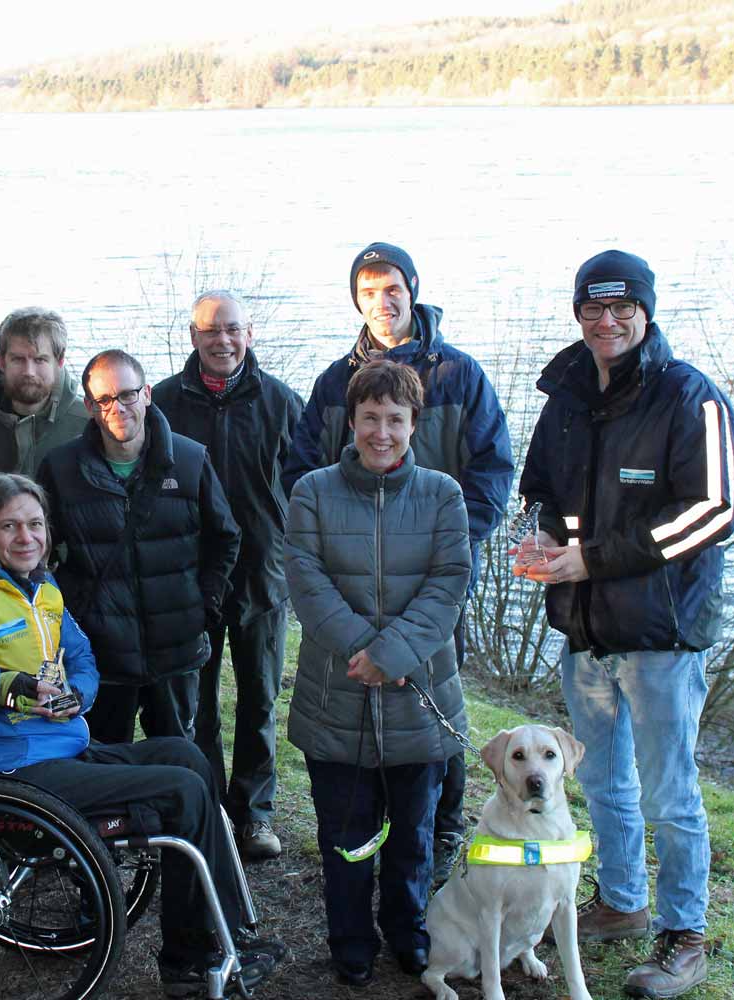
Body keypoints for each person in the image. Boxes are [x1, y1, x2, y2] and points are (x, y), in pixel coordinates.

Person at [0, 473, 283, 997]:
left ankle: (222, 933)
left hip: (64, 747)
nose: (27, 538)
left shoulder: (43, 588)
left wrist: (78, 695)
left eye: (36, 525)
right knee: (181, 791)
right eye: (10, 526)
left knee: (187, 756)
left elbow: (84, 657)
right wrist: (0, 686)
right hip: (9, 771)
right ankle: (189, 960)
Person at [517, 250, 734, 999]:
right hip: (585, 634)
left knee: (669, 796)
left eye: (622, 309)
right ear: (578, 314)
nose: (607, 323)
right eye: (593, 309)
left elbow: (712, 513)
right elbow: (545, 490)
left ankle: (684, 934)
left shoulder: (691, 398)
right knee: (604, 784)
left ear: (647, 313)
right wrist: (550, 542)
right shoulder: (568, 396)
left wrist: (593, 560)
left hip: (661, 638)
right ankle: (621, 902)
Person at [281, 242, 513, 884]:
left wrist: (455, 541)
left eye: (393, 290)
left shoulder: (458, 375)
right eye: (368, 291)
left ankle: (440, 826)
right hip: (350, 579)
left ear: (413, 292)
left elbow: (494, 468)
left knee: (438, 690)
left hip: (431, 577)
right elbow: (303, 468)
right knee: (352, 692)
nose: (382, 303)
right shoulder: (335, 382)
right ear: (355, 299)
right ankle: (362, 824)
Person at [285, 360, 471, 987]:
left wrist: (393, 655)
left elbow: (449, 584)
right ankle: (350, 938)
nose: (382, 433)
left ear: (414, 423)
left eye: (395, 420)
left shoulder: (444, 495)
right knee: (345, 832)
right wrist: (365, 650)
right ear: (352, 420)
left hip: (418, 695)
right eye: (371, 418)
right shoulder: (312, 491)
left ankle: (406, 929)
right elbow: (306, 583)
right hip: (336, 694)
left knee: (413, 833)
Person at [150, 291, 302, 862]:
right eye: (211, 331)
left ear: (249, 334)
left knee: (260, 698)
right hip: (189, 575)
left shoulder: (283, 402)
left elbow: (306, 490)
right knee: (198, 702)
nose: (222, 341)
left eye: (232, 329)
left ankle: (255, 812)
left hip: (263, 573)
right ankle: (209, 805)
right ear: (193, 336)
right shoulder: (163, 403)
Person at [36, 349, 241, 744]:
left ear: (147, 394)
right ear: (90, 406)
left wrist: (205, 602)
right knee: (107, 760)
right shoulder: (62, 469)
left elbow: (225, 536)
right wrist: (71, 610)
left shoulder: (189, 459)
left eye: (128, 395)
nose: (119, 408)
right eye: (105, 400)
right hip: (102, 652)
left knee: (178, 753)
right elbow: (40, 550)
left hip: (176, 646)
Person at [0, 306, 89, 479]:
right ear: (1, 362)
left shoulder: (87, 422)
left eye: (40, 360)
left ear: (59, 361)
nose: (29, 372)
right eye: (18, 359)